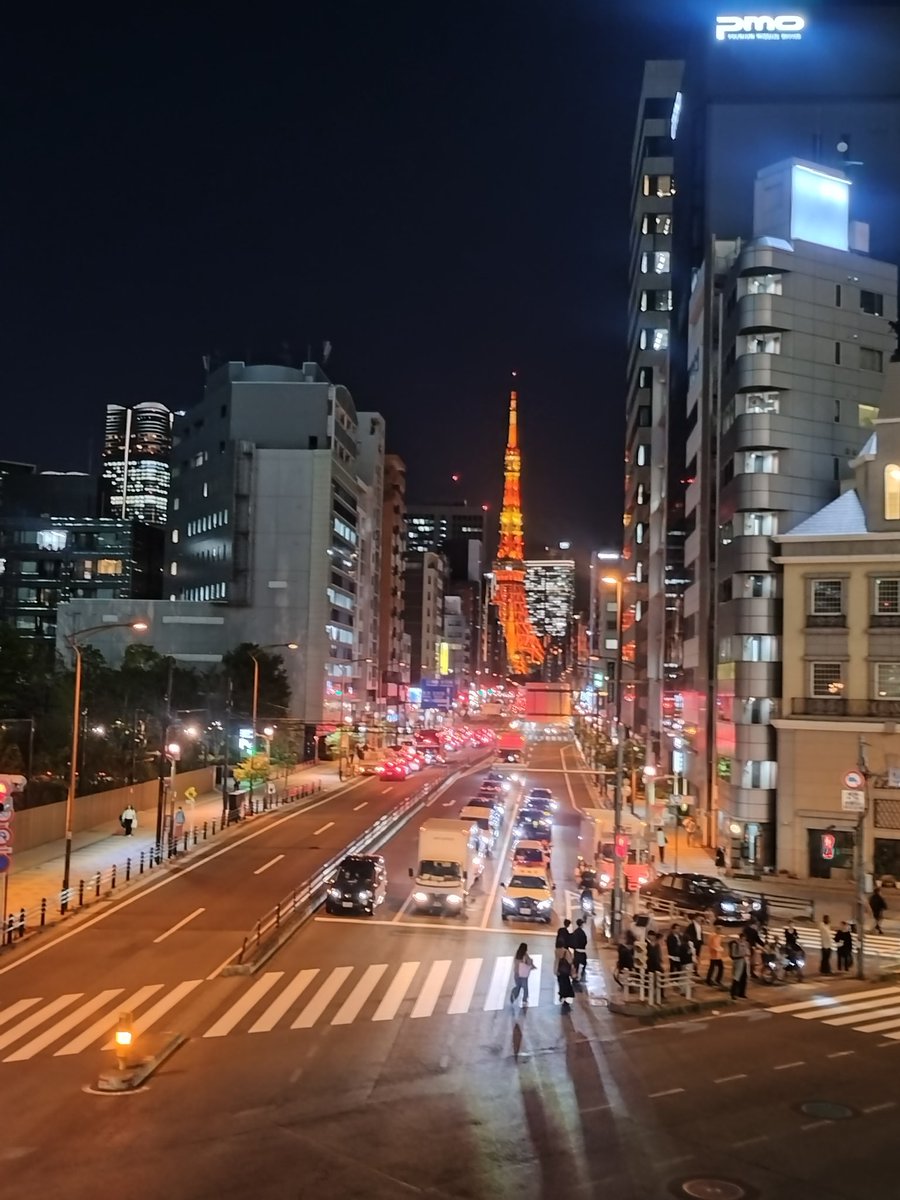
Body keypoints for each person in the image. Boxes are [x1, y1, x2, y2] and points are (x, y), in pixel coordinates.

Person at [730, 934, 749, 999]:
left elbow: (748, 952)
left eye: (745, 939)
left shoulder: (746, 944)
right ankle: (733, 993)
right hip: (738, 962)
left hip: (745, 962)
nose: (744, 940)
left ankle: (742, 993)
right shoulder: (735, 944)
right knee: (736, 978)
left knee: (744, 978)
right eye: (743, 939)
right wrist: (741, 955)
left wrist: (747, 954)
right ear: (740, 938)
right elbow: (733, 955)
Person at [646, 930, 663, 1003]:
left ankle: (661, 992)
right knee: (649, 978)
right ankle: (649, 992)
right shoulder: (645, 943)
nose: (653, 937)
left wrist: (660, 959)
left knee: (660, 977)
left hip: (656, 963)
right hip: (649, 964)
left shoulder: (656, 944)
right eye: (652, 936)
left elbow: (658, 953)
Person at [556, 944, 575, 1011]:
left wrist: (555, 970)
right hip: (565, 972)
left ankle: (562, 995)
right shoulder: (566, 952)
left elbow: (556, 961)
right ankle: (567, 1000)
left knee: (561, 984)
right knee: (567, 984)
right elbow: (570, 962)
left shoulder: (556, 951)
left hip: (559, 971)